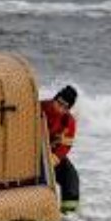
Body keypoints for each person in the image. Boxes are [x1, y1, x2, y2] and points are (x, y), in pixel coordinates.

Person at [40, 85, 80, 213]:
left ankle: (68, 217)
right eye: (59, 103)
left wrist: (55, 159)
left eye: (64, 107)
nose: (59, 108)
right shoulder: (39, 108)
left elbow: (65, 146)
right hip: (31, 153)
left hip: (51, 156)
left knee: (71, 177)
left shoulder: (69, 121)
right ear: (55, 99)